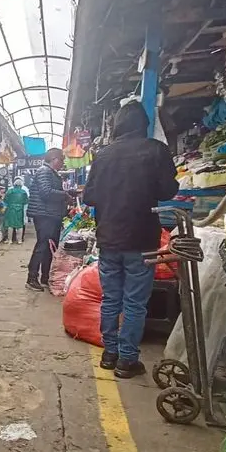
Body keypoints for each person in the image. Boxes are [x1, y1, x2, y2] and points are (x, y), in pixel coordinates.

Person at [83, 102, 179, 379]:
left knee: (111, 299)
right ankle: (127, 360)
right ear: (144, 124)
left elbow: (89, 197)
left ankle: (109, 354)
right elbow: (168, 189)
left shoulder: (103, 155)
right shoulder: (156, 150)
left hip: (109, 238)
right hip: (142, 239)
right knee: (135, 303)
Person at [25, 148, 68, 291]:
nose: (62, 163)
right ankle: (32, 278)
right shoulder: (44, 171)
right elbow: (46, 192)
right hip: (44, 215)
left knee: (50, 247)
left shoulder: (51, 173)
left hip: (51, 214)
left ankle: (45, 277)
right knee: (42, 246)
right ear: (54, 159)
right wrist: (65, 195)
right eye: (61, 160)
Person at [5, 177, 29, 244]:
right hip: (20, 209)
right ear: (21, 185)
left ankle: (10, 240)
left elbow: (5, 199)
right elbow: (26, 201)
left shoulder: (10, 191)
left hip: (11, 209)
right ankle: (19, 240)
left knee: (10, 225)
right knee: (20, 225)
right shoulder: (24, 192)